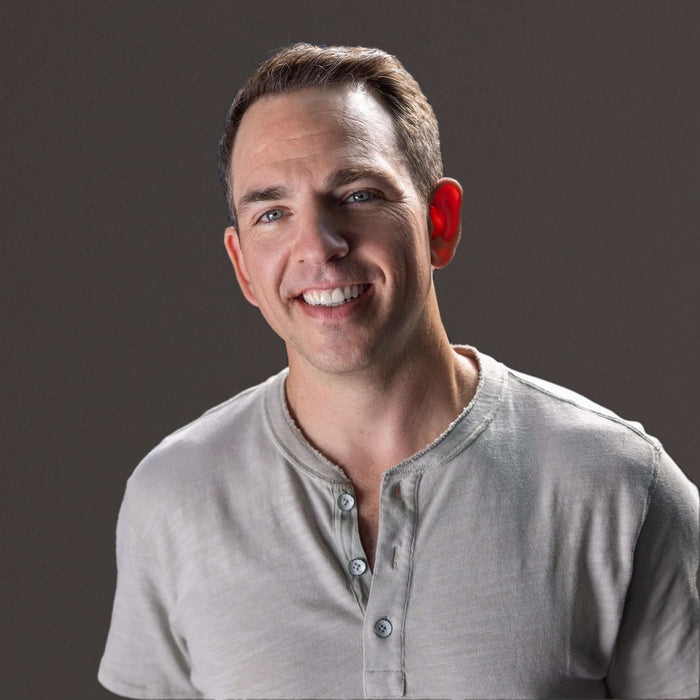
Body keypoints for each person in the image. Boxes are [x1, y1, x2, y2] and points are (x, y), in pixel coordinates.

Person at [98, 43, 698, 700]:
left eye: (358, 195)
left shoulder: (619, 490)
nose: (319, 247)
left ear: (439, 223)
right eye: (273, 213)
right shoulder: (173, 498)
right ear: (243, 266)